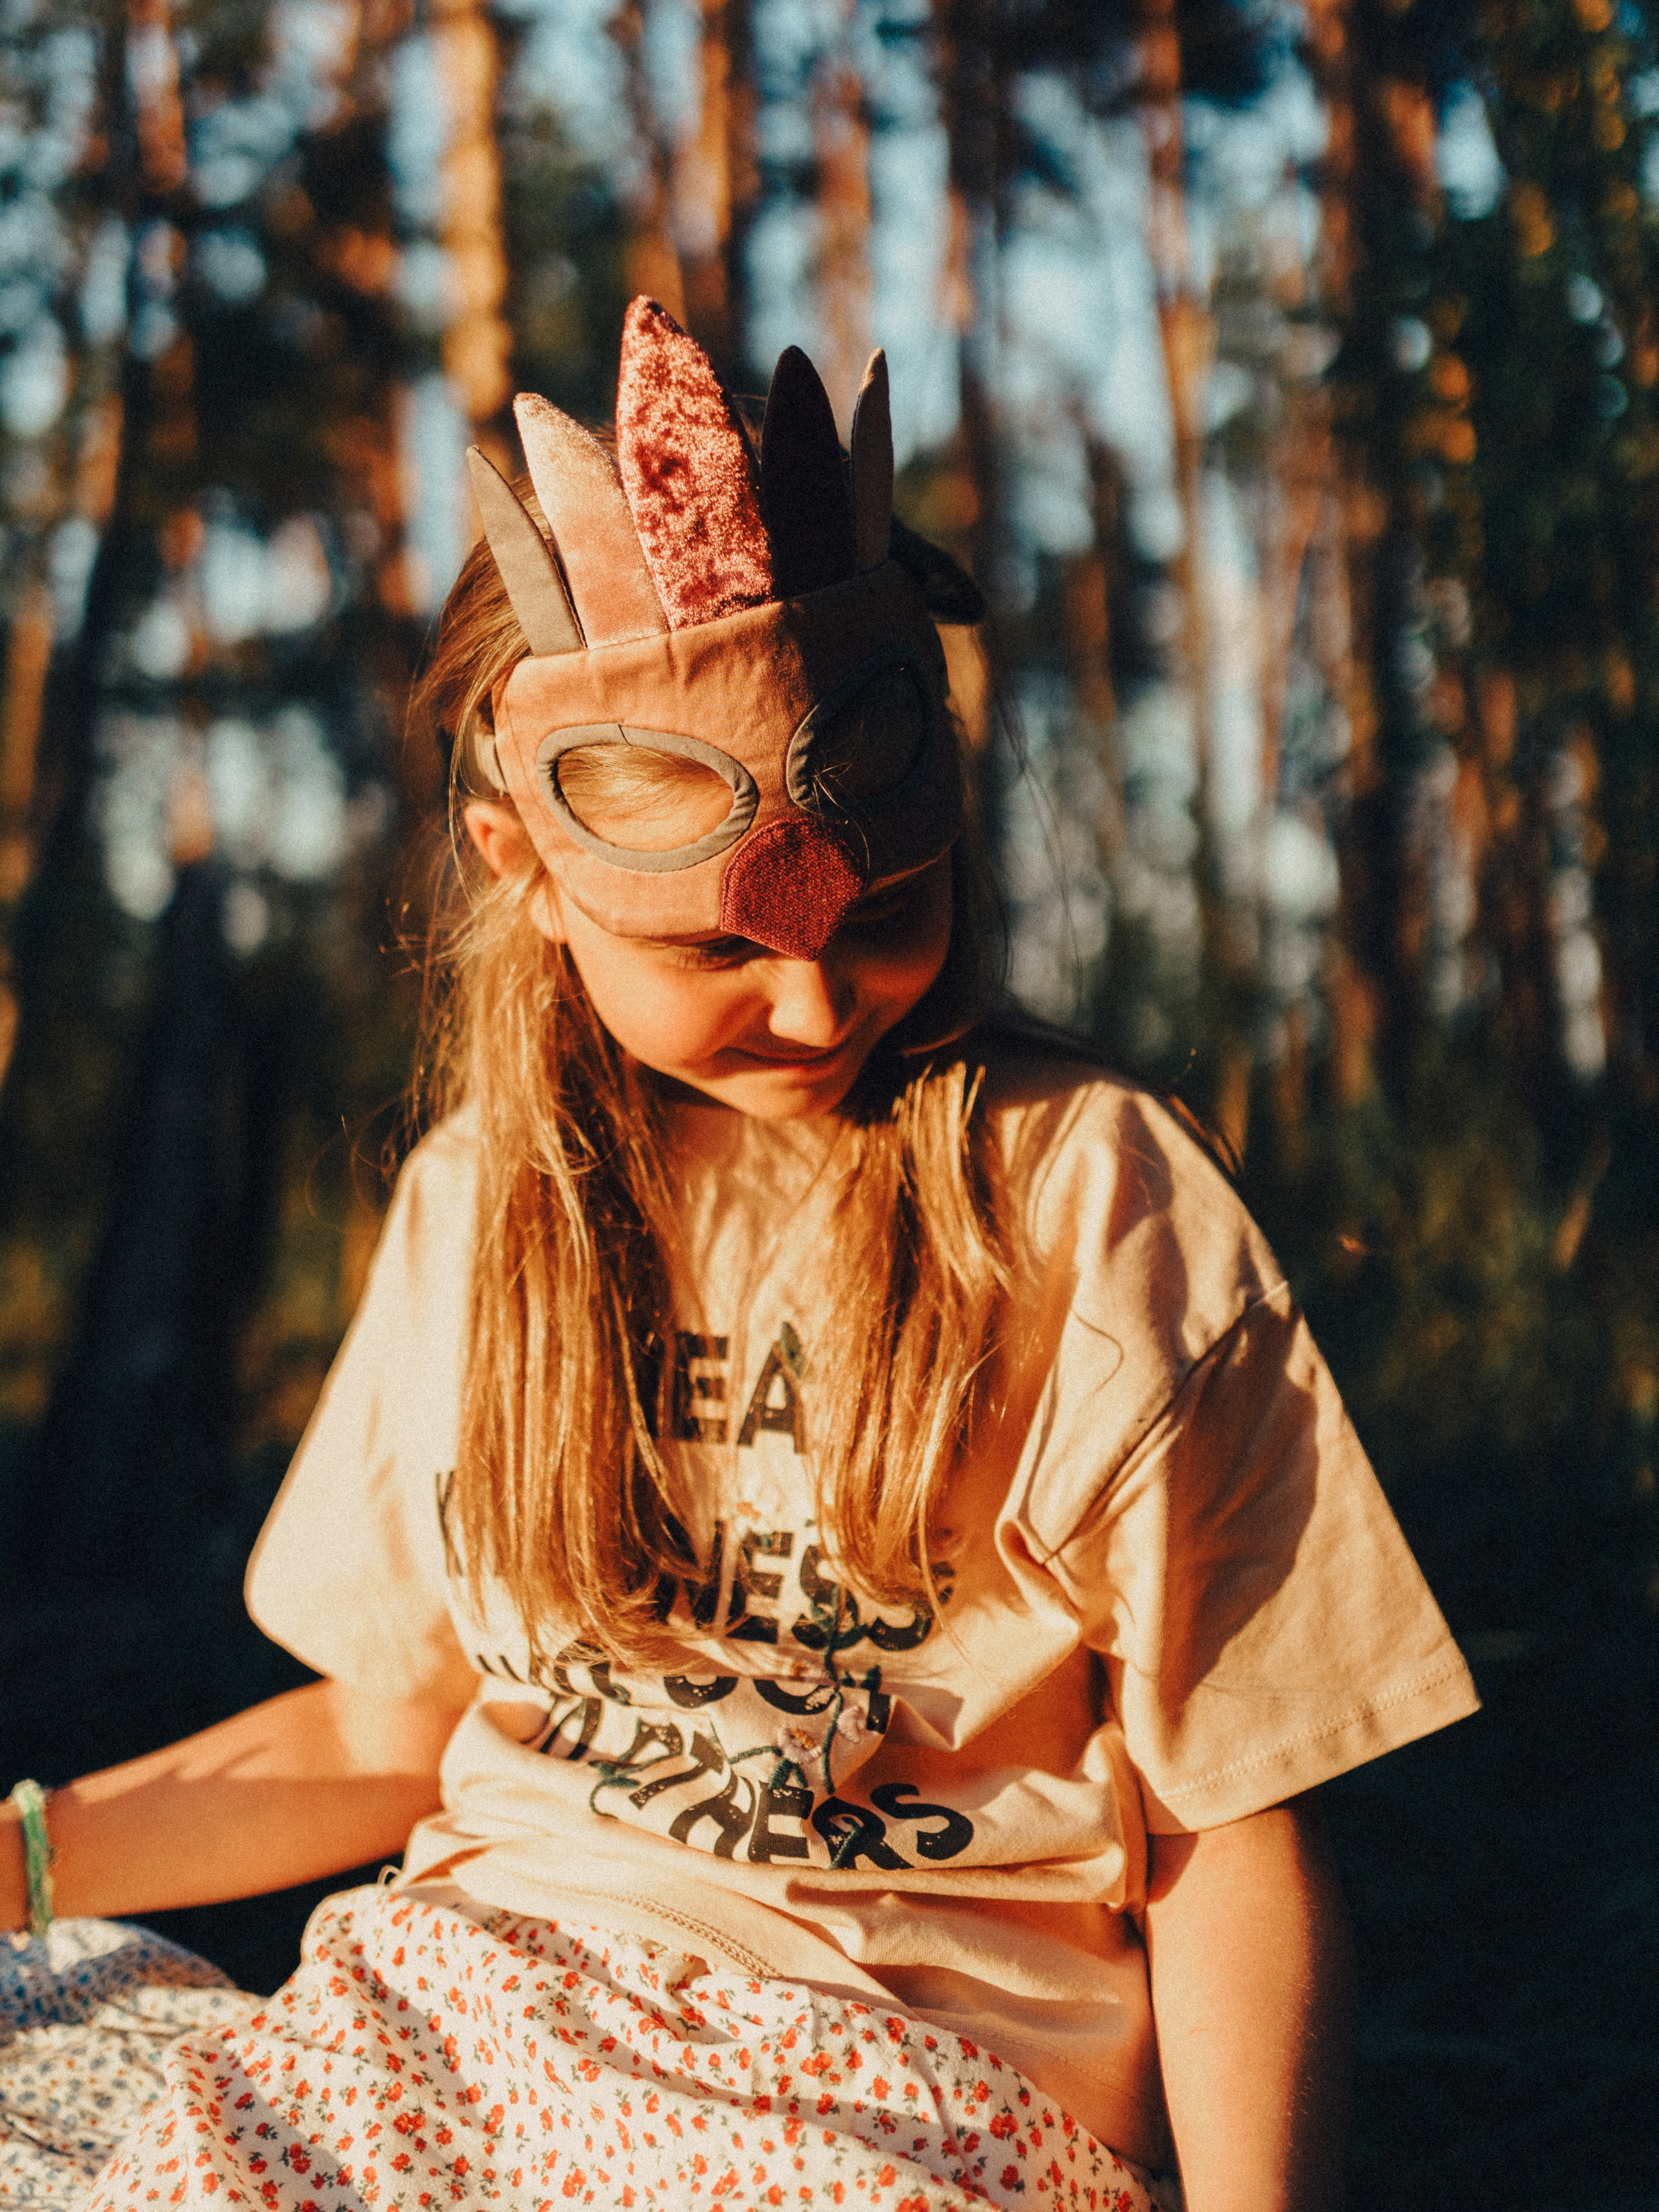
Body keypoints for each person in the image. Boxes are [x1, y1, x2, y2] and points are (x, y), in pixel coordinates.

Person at [1, 299, 1477, 2212]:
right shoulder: (484, 1205)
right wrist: (27, 1860)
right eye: (714, 950)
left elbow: (1228, 1825)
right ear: (524, 872)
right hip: (463, 2009)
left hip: (899, 2084)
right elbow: (396, 1726)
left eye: (889, 910)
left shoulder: (1087, 1196)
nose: (816, 999)